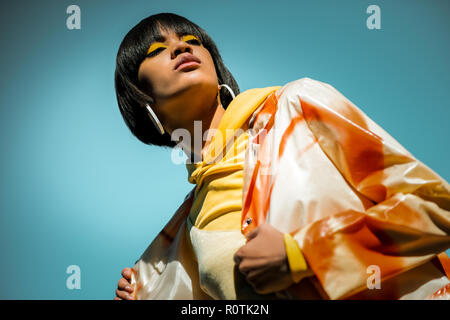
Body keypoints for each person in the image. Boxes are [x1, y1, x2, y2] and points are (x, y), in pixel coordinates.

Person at [113, 12, 450, 300]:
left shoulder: (298, 107)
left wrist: (302, 254)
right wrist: (147, 290)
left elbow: (436, 205)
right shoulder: (189, 228)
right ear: (142, 101)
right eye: (156, 50)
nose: (181, 46)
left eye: (193, 40)